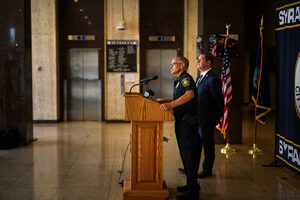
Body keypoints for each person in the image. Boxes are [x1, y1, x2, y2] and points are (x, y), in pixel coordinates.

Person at [157, 56, 200, 200]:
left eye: (173, 64)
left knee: (189, 156)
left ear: (182, 66)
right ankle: (191, 184)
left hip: (187, 123)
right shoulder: (178, 80)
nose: (171, 67)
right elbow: (180, 98)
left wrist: (170, 105)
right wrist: (167, 101)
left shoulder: (185, 79)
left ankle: (193, 193)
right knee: (185, 155)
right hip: (181, 122)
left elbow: (190, 94)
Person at [195, 52, 224, 178]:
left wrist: (216, 117)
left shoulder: (213, 79)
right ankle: (192, 168)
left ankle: (207, 170)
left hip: (207, 119)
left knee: (208, 146)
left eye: (200, 60)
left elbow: (218, 100)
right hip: (198, 118)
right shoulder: (200, 77)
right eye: (198, 60)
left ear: (208, 62)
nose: (198, 62)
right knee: (196, 144)